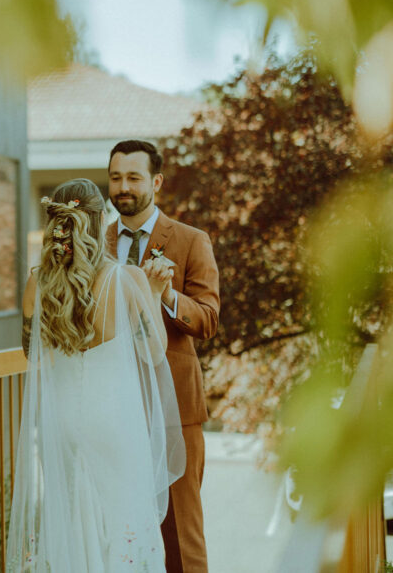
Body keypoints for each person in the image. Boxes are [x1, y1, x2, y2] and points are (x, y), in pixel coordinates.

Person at [7, 178, 186, 572]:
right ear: (98, 222)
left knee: (74, 517)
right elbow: (154, 351)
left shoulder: (38, 282)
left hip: (65, 421)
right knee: (120, 515)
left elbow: (32, 355)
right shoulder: (128, 280)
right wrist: (155, 295)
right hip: (114, 421)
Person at [105, 140, 220, 573]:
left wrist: (169, 295)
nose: (123, 187)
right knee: (121, 527)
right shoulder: (98, 243)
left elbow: (208, 320)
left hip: (175, 410)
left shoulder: (191, 241)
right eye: (116, 177)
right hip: (113, 408)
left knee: (181, 535)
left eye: (133, 177)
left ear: (155, 181)